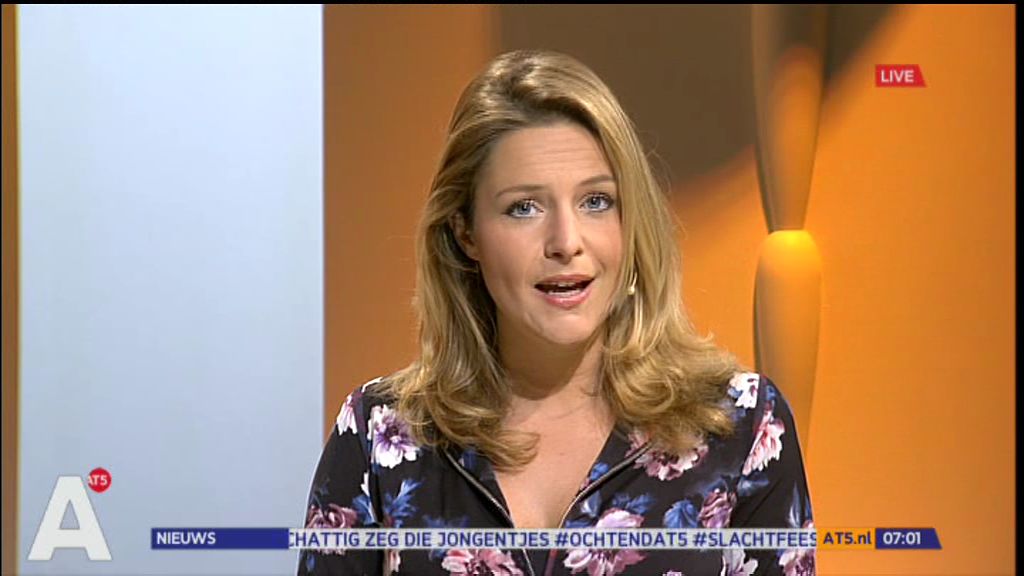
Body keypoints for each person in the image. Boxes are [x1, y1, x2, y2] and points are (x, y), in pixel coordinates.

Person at [299, 50, 814, 576]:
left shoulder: (741, 427)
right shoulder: (378, 435)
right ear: (465, 232)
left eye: (596, 201)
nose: (566, 242)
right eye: (524, 207)